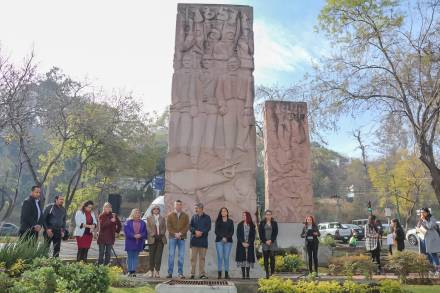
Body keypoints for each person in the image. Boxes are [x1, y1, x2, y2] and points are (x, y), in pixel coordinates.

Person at [166, 200, 189, 279]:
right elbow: (168, 226)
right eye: (177, 205)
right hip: (172, 238)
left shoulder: (185, 215)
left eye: (180, 205)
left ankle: (180, 273)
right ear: (174, 206)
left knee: (181, 256)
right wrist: (175, 234)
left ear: (181, 206)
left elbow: (187, 226)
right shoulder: (170, 215)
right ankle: (170, 273)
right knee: (171, 255)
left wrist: (180, 234)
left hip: (182, 238)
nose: (178, 206)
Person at [189, 203, 211, 279]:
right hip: (194, 241)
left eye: (196, 208)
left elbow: (208, 227)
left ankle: (202, 274)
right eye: (195, 208)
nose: (195, 210)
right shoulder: (193, 217)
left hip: (203, 241)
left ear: (201, 208)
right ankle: (192, 274)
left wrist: (201, 233)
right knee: (192, 258)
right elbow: (190, 226)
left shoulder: (207, 217)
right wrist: (195, 232)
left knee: (202, 258)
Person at [124, 208, 148, 277]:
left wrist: (140, 235)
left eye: (138, 213)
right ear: (133, 213)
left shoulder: (143, 223)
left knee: (135, 257)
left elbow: (145, 232)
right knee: (130, 256)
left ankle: (133, 271)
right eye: (136, 212)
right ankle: (129, 271)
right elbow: (126, 231)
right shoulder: (128, 222)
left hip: (139, 242)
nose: (137, 214)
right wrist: (133, 235)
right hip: (130, 242)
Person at [417, 207, 440, 274]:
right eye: (421, 212)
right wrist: (419, 223)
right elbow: (419, 227)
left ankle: (438, 270)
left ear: (427, 212)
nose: (422, 213)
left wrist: (424, 220)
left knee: (433, 253)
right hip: (424, 238)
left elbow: (430, 226)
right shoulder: (422, 219)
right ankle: (433, 269)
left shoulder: (432, 218)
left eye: (423, 212)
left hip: (432, 239)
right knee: (427, 254)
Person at [146, 205, 167, 278]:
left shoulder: (162, 218)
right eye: (154, 209)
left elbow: (164, 227)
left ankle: (157, 271)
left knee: (158, 256)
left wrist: (161, 234)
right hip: (152, 238)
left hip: (160, 239)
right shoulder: (149, 218)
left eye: (157, 209)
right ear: (152, 210)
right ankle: (151, 271)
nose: (156, 210)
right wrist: (153, 234)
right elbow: (148, 228)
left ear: (159, 210)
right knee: (151, 256)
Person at [215, 207, 234, 279]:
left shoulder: (230, 221)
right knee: (220, 257)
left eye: (225, 211)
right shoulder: (218, 221)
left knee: (226, 257)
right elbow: (216, 231)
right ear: (221, 213)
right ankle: (219, 274)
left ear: (227, 213)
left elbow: (232, 232)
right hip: (219, 241)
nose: (223, 212)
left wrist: (226, 237)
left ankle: (226, 274)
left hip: (228, 242)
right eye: (222, 211)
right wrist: (222, 237)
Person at [259, 210, 278, 279]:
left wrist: (271, 240)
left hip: (272, 242)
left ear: (271, 215)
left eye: (269, 214)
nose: (268, 216)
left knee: (272, 258)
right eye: (267, 214)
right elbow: (260, 233)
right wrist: (265, 241)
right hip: (265, 243)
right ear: (265, 215)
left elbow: (276, 233)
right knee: (266, 259)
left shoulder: (274, 223)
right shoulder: (262, 223)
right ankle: (267, 273)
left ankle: (272, 273)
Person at [236, 211, 256, 279]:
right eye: (243, 215)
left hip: (249, 245)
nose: (243, 216)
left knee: (248, 259)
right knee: (242, 259)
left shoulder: (252, 225)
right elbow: (238, 235)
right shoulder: (240, 224)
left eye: (245, 215)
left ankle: (247, 274)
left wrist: (249, 243)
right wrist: (242, 242)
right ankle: (243, 275)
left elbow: (253, 235)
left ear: (248, 216)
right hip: (241, 245)